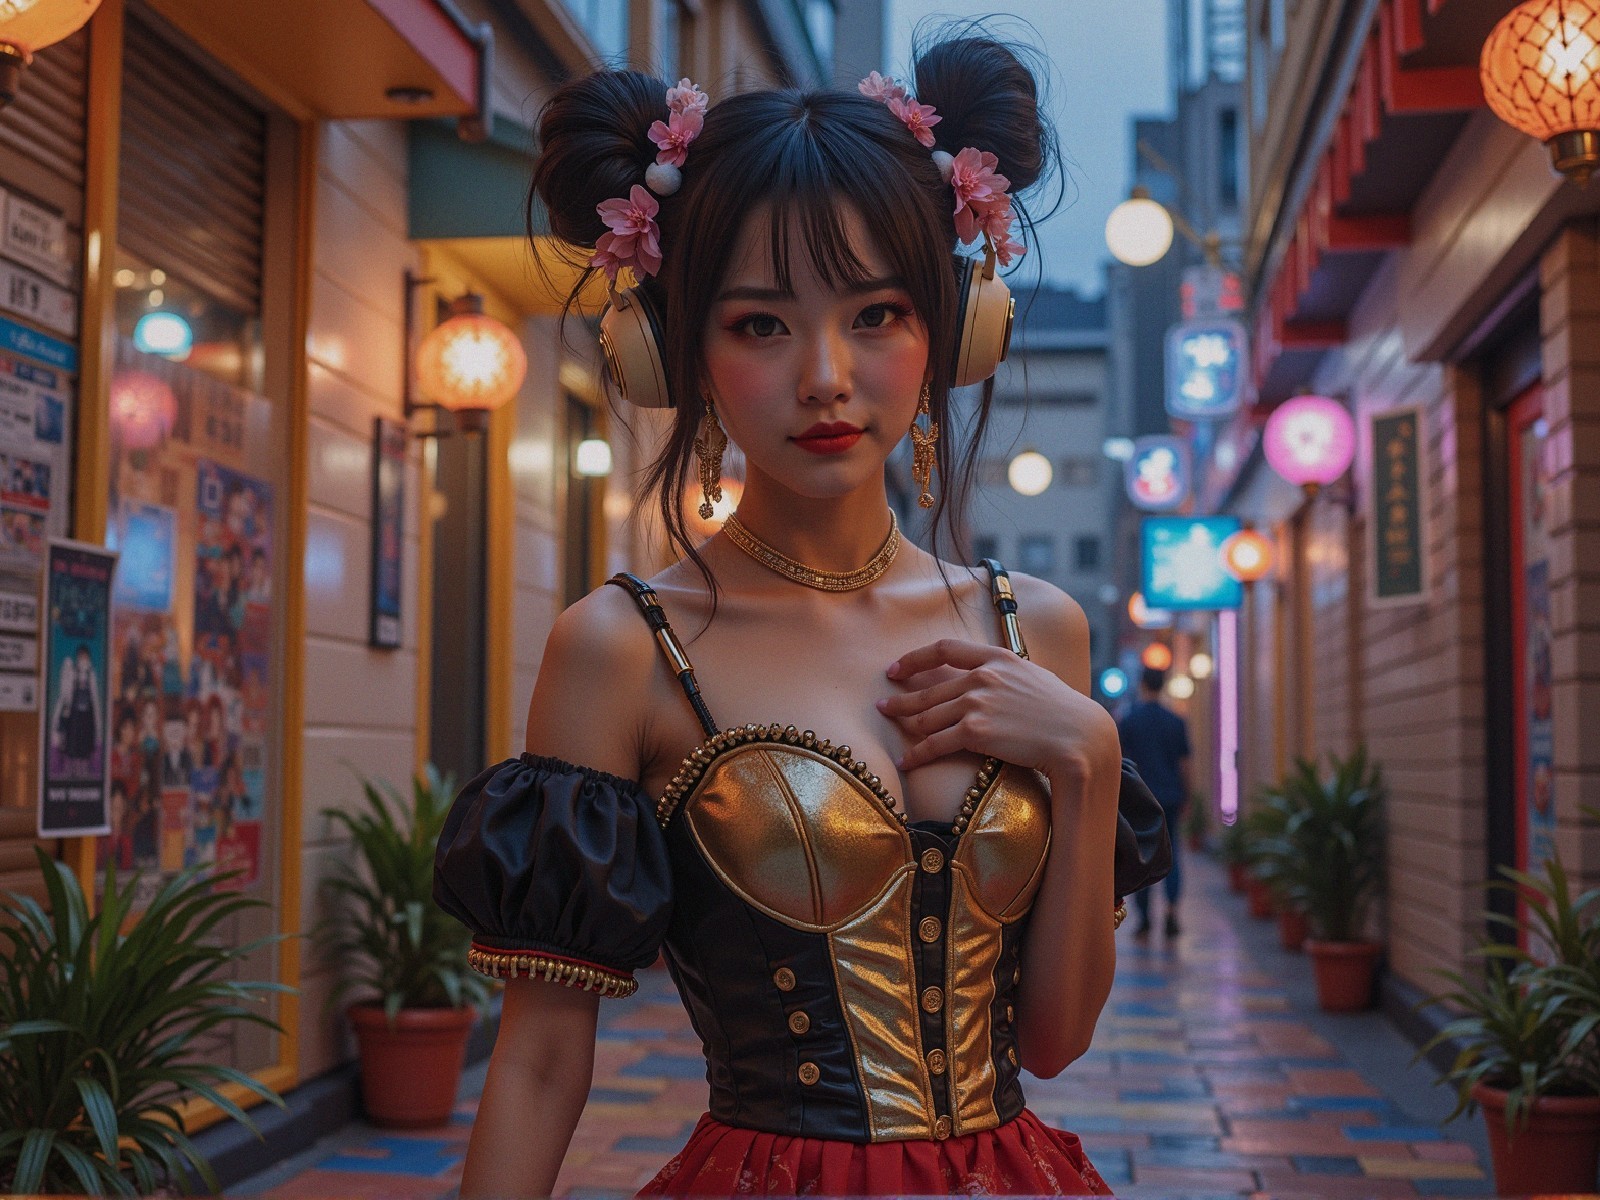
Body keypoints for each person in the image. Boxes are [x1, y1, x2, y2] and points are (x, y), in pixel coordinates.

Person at [434, 38, 1139, 1197]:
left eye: (877, 314)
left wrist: (1091, 758)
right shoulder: (621, 647)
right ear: (677, 350)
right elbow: (542, 1061)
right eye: (761, 323)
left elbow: (1054, 1043)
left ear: (951, 332)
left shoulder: (1038, 630)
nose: (825, 373)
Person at [1116, 666, 1192, 938]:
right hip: (1170, 795)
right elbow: (1184, 764)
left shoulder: (1129, 720)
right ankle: (1171, 913)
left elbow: (1121, 762)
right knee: (1172, 856)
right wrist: (1187, 794)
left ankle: (1145, 917)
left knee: (1142, 854)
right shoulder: (1175, 721)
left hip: (1141, 798)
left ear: (1143, 684)